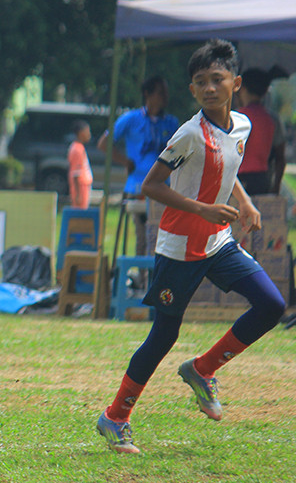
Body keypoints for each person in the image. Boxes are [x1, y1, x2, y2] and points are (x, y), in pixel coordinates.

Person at [96, 39, 286, 454]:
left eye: (217, 79)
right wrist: (202, 208)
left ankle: (202, 369)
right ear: (193, 91)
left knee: (272, 305)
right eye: (201, 82)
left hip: (217, 242)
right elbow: (151, 185)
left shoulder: (242, 126)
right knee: (164, 335)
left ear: (235, 83)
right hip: (179, 249)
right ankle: (115, 416)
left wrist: (246, 203)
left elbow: (228, 164)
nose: (210, 87)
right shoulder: (187, 134)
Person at [98, 75, 179, 255]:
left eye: (165, 92)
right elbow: (104, 143)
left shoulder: (171, 122)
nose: (165, 96)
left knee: (163, 237)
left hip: (165, 188)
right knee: (142, 236)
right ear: (147, 94)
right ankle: (142, 277)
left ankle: (155, 276)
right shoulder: (131, 119)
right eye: (160, 92)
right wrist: (124, 161)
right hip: (138, 187)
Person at [235, 67, 287, 196]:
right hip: (262, 179)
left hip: (238, 179)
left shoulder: (236, 117)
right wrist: (276, 188)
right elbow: (280, 157)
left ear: (243, 88)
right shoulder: (272, 119)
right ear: (264, 92)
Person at [66, 120, 92, 209]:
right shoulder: (77, 150)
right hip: (81, 187)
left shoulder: (80, 147)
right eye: (87, 131)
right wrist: (78, 194)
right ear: (81, 133)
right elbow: (76, 173)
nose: (89, 134)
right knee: (80, 213)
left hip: (84, 186)